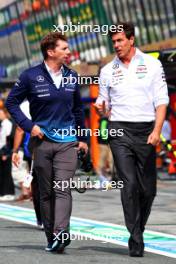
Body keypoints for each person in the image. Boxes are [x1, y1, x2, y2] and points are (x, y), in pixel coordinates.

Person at [6, 32, 88, 253]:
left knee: (62, 188)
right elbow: (11, 102)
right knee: (45, 192)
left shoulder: (72, 76)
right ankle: (52, 235)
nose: (68, 52)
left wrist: (82, 138)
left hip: (67, 142)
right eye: (64, 48)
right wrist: (29, 125)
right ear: (51, 52)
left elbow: (79, 110)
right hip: (41, 142)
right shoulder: (30, 76)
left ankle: (61, 233)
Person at [94, 22, 169, 257]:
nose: (116, 45)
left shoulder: (152, 64)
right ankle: (136, 239)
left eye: (119, 40)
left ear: (131, 39)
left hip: (146, 129)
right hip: (119, 131)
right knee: (129, 184)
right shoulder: (107, 71)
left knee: (148, 190)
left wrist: (157, 130)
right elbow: (103, 104)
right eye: (113, 41)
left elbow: (161, 100)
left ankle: (138, 228)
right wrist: (100, 109)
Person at [0, 108, 15, 201]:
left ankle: (9, 193)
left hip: (6, 151)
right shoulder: (2, 124)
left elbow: (9, 139)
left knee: (7, 172)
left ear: (5, 114)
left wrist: (6, 152)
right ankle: (2, 192)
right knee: (2, 172)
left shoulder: (7, 124)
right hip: (1, 150)